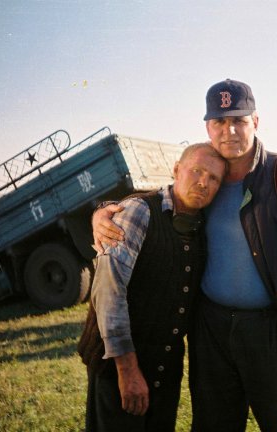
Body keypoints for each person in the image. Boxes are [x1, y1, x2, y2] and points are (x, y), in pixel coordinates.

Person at [93, 79, 277, 431]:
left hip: (273, 328)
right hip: (210, 331)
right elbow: (160, 203)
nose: (230, 131)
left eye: (239, 120)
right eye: (219, 122)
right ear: (208, 127)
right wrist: (104, 211)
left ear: (255, 122)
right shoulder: (204, 183)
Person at [77, 143, 227, 432]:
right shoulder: (139, 211)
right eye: (196, 171)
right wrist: (127, 369)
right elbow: (109, 290)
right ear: (176, 170)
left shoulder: (203, 224)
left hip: (165, 367)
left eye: (213, 178)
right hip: (118, 367)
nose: (203, 182)